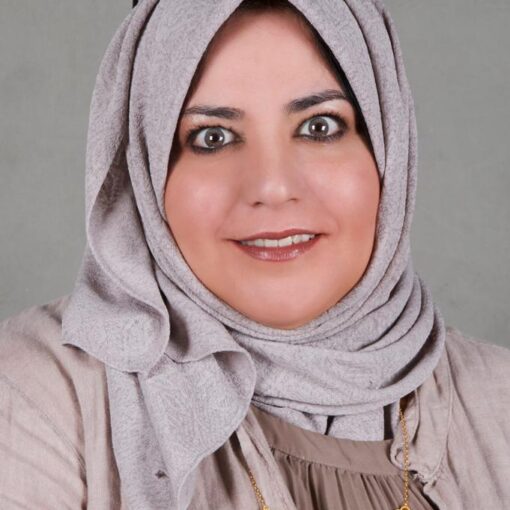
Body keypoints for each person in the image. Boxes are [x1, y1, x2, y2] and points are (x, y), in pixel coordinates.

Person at [1, 0, 509, 509]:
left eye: (319, 126)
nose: (272, 187)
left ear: (387, 150)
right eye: (212, 137)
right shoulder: (37, 394)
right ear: (147, 173)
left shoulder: (498, 400)